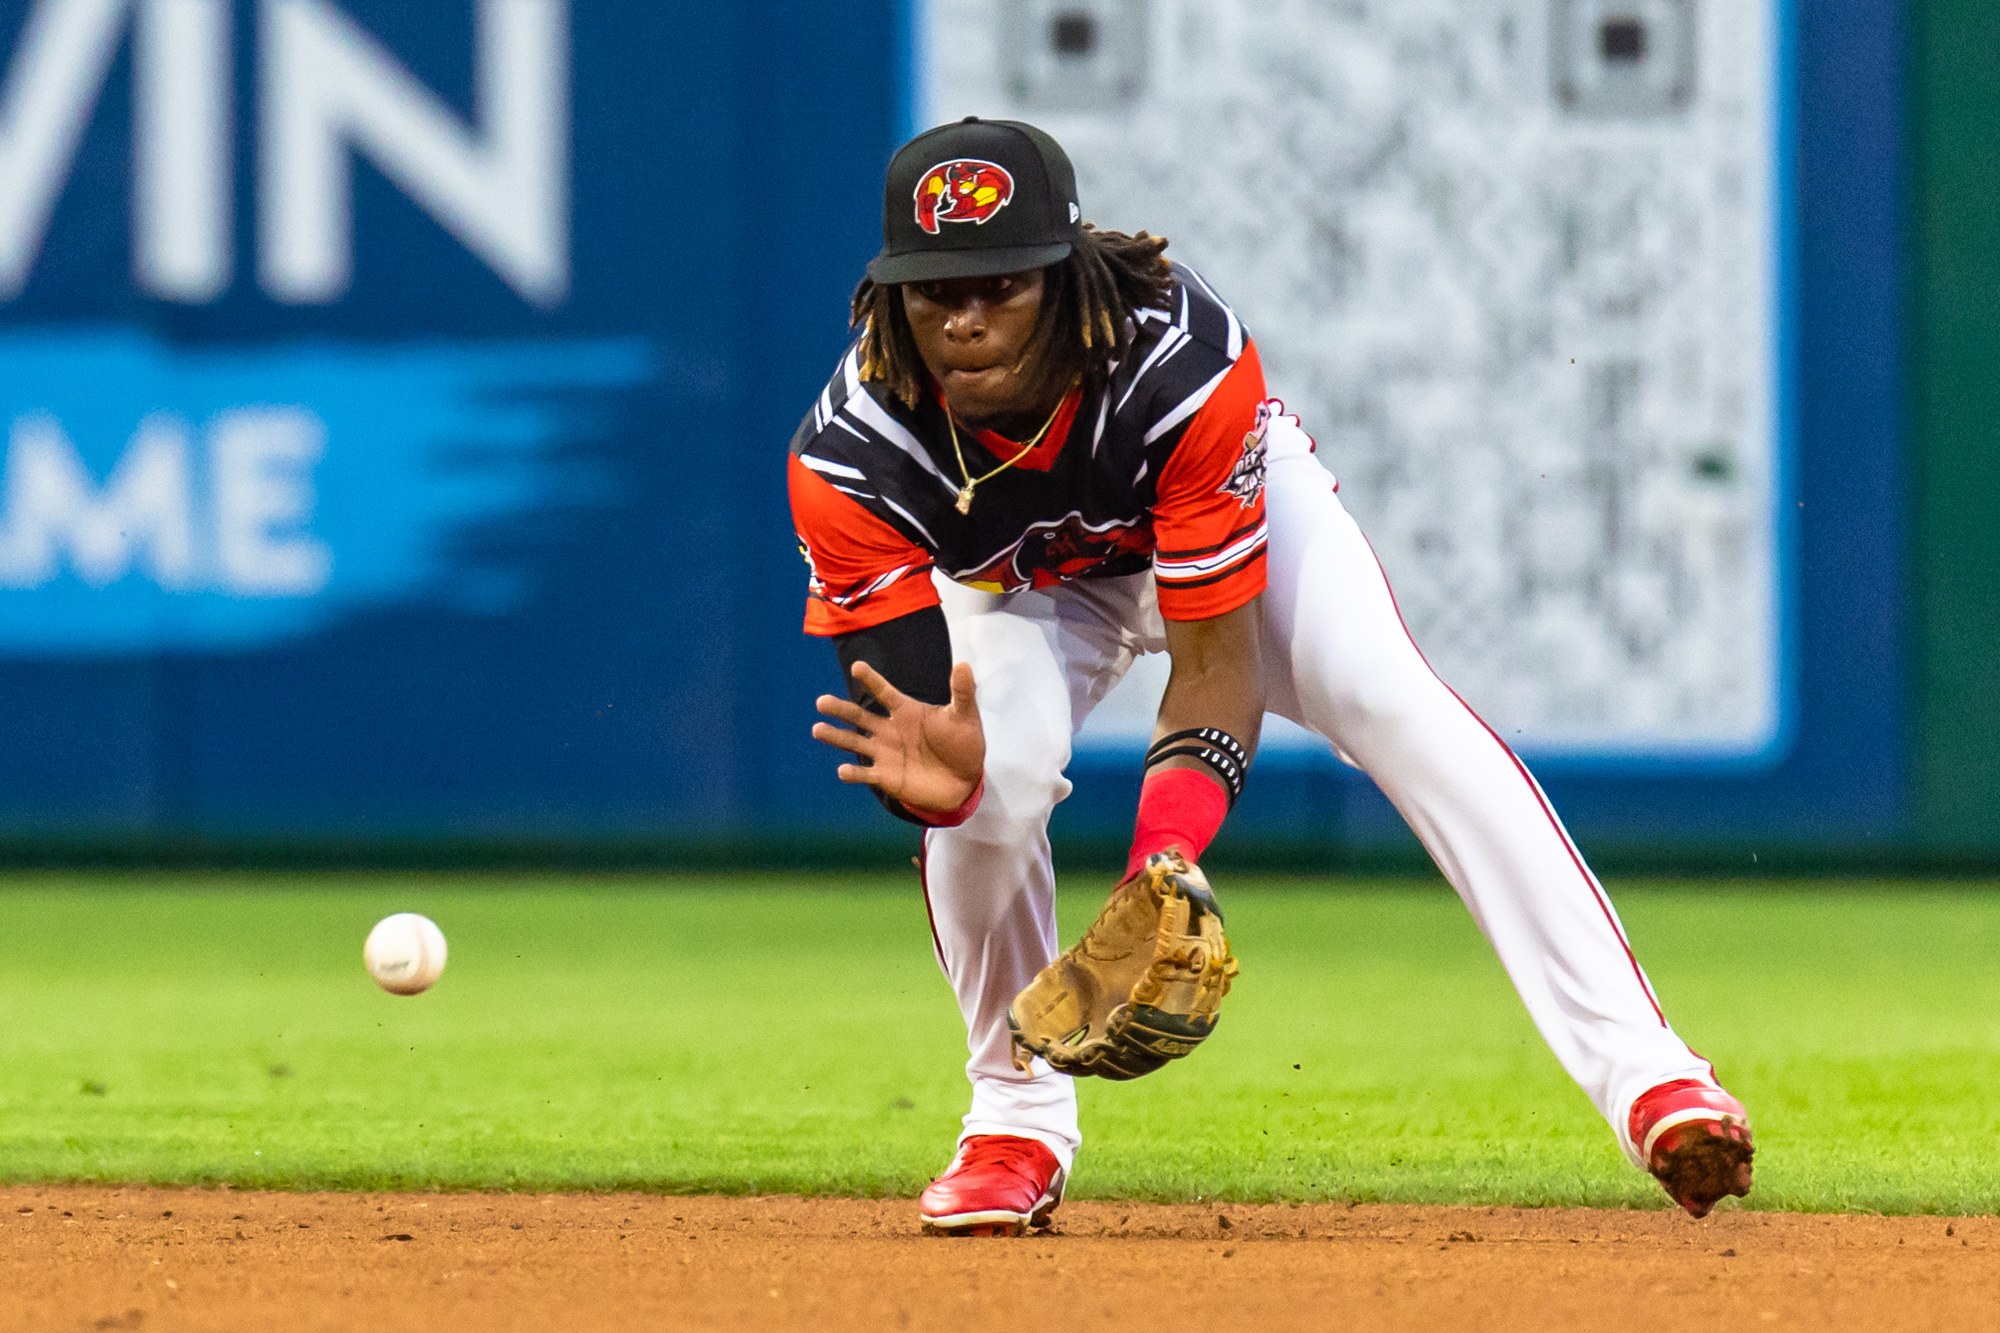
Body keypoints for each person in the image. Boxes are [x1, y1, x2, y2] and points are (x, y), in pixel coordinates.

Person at [791, 117, 1754, 1237]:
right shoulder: (850, 455)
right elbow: (912, 728)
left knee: (1387, 700)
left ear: (1064, 277)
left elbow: (1216, 660)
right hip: (1020, 591)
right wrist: (944, 795)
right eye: (931, 290)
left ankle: (1652, 1079)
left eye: (999, 283)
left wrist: (1164, 857)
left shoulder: (1177, 364)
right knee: (988, 802)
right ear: (890, 296)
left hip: (1204, 530)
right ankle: (1012, 1115)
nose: (961, 318)